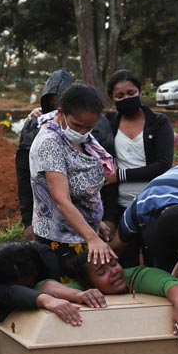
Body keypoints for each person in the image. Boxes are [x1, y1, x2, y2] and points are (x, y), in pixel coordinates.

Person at [29, 83, 116, 276]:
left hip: (82, 234)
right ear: (61, 113)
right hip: (59, 241)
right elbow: (61, 199)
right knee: (73, 295)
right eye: (77, 125)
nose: (83, 132)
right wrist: (92, 237)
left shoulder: (81, 138)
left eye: (89, 127)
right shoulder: (50, 143)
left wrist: (93, 220)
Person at [16, 69, 112, 241]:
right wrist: (27, 221)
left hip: (82, 227)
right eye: (53, 100)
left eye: (87, 127)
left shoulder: (90, 130)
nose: (82, 131)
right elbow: (25, 178)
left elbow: (102, 178)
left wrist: (98, 220)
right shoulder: (44, 136)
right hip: (57, 235)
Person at [96, 69, 175, 266]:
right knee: (125, 268)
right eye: (119, 96)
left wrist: (120, 175)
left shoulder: (158, 123)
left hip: (154, 207)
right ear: (112, 98)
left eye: (131, 93)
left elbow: (162, 165)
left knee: (157, 265)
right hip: (123, 209)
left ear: (140, 92)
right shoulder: (108, 126)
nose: (126, 98)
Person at [38, 250, 178, 341]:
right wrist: (77, 295)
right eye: (102, 272)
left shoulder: (135, 276)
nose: (113, 272)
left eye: (113, 263)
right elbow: (44, 286)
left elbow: (170, 284)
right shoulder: (83, 290)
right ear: (89, 284)